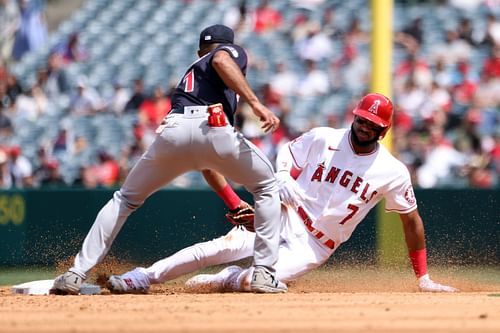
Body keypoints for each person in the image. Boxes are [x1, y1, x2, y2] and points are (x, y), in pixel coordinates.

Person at [105, 93, 457, 294]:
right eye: (361, 119)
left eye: (372, 125)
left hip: (316, 244)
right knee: (218, 247)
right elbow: (288, 151)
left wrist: (421, 277)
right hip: (285, 214)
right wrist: (284, 176)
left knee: (259, 280)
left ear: (383, 131)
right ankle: (142, 277)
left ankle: (222, 280)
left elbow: (412, 222)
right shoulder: (325, 137)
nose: (363, 126)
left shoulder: (393, 171)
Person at [52, 24, 285, 294]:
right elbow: (222, 59)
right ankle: (264, 273)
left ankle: (75, 273)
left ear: (199, 51)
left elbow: (205, 163)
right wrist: (255, 103)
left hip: (172, 131)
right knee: (267, 186)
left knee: (125, 199)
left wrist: (233, 203)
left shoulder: (194, 73)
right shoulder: (225, 53)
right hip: (213, 125)